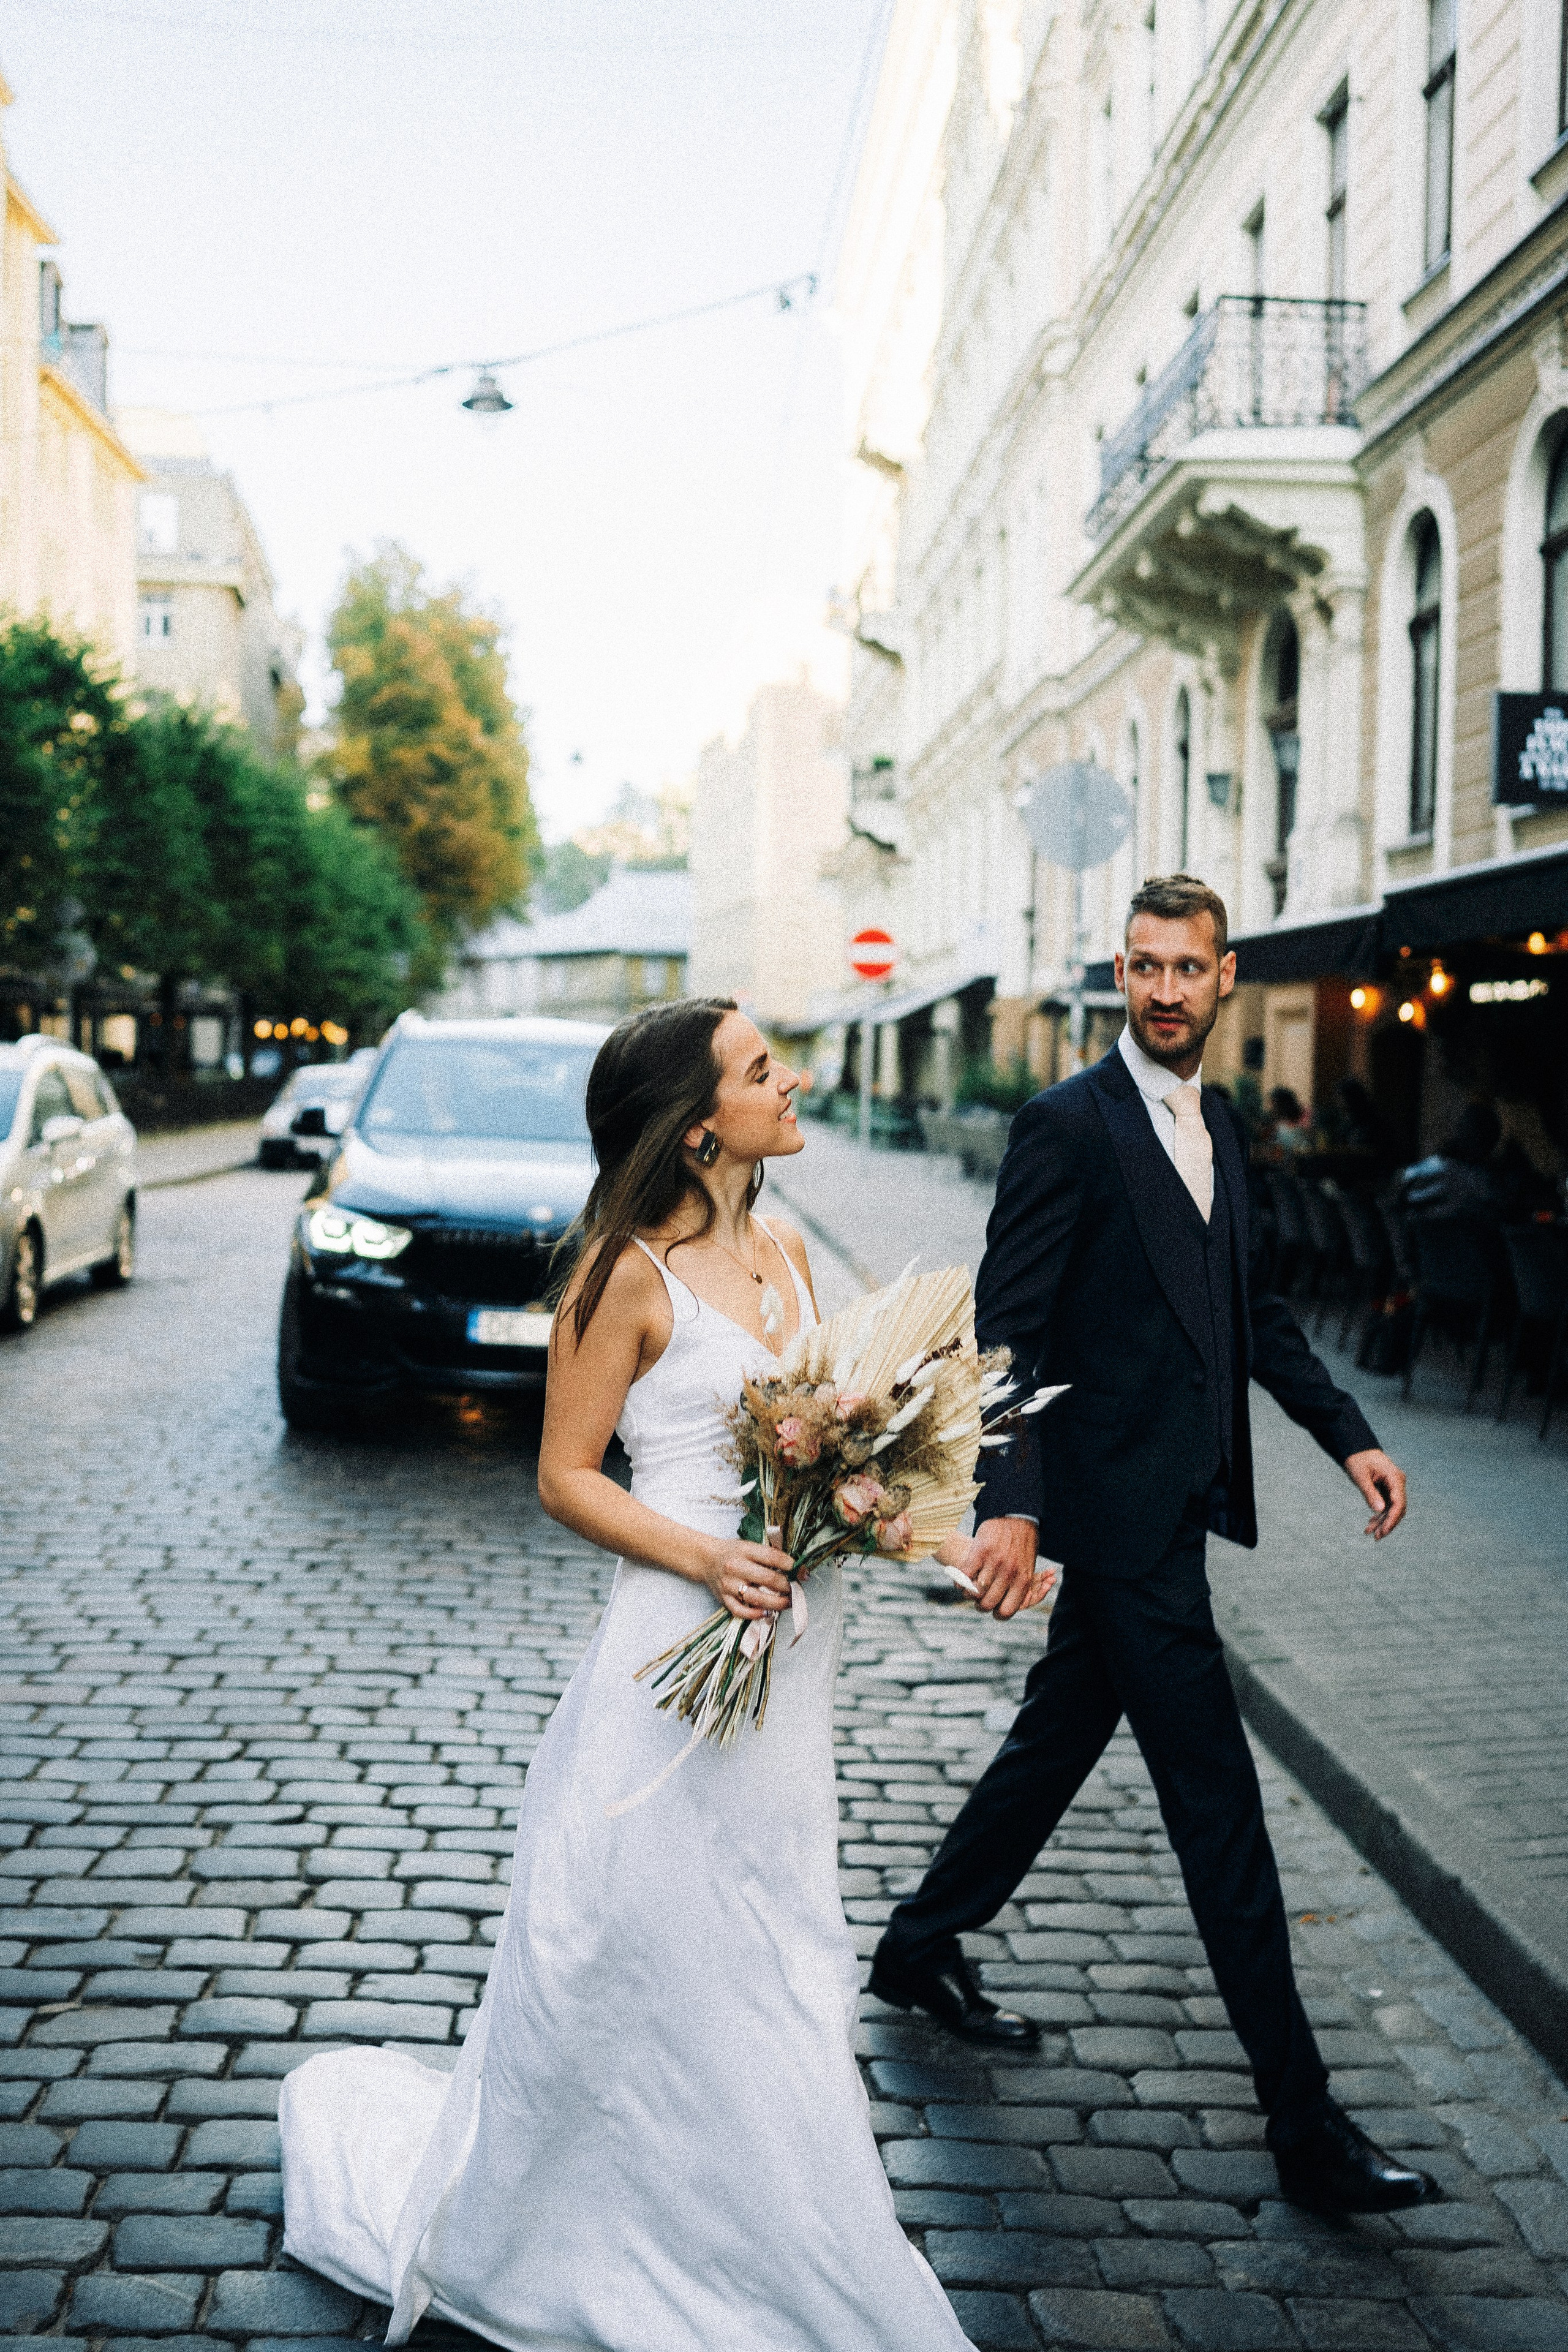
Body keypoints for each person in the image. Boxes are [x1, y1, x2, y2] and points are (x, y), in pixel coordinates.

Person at [277, 997, 976, 2351]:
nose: (791, 1082)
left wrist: (931, 1538)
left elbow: (844, 1455)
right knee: (636, 1937)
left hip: (788, 1659)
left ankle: (769, 2227)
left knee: (773, 1936)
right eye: (762, 1070)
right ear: (701, 1126)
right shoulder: (624, 1275)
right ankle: (588, 2228)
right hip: (673, 1651)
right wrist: (708, 1556)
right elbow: (565, 1476)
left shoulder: (786, 1248)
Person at [871, 873, 1433, 2218]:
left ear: (1225, 976)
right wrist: (1010, 1500)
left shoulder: (1218, 1121)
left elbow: (1252, 1309)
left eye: (1187, 968)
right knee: (1220, 1813)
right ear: (1119, 975)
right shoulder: (1064, 1125)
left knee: (1055, 1742)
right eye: (1143, 967)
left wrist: (1344, 1433)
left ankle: (916, 1945)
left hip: (1177, 1502)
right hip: (1118, 1527)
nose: (1165, 990)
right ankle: (1303, 2128)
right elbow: (1006, 1335)